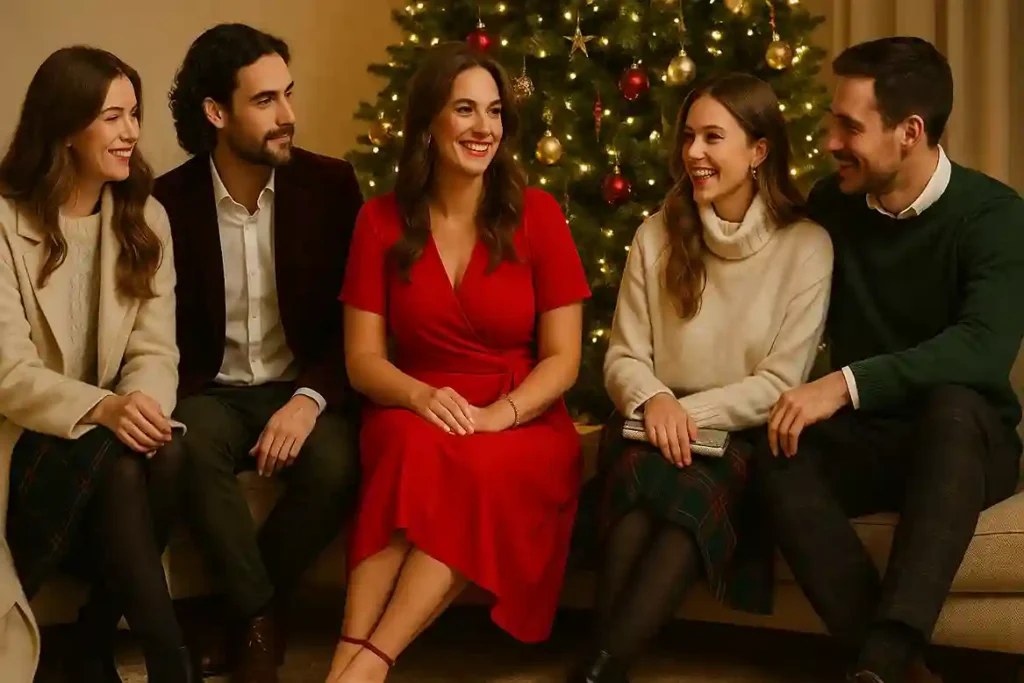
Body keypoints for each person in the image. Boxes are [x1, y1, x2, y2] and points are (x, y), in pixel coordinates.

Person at [754, 37, 1024, 683]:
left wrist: (845, 384)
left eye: (849, 125)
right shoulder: (831, 205)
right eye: (831, 121)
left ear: (910, 131)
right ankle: (889, 667)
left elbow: (982, 348)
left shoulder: (996, 216)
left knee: (953, 404)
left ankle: (883, 654)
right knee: (772, 449)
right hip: (873, 441)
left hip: (967, 444)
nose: (829, 140)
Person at [326, 42, 591, 682]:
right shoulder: (378, 221)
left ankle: (363, 668)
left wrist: (501, 414)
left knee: (476, 467)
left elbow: (564, 359)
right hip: (414, 402)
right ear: (428, 125)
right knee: (407, 452)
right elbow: (362, 360)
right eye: (465, 109)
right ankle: (350, 656)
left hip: (520, 413)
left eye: (494, 112)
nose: (483, 128)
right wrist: (417, 396)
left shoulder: (540, 216)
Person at [570, 73, 833, 683]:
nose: (693, 153)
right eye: (689, 136)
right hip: (645, 416)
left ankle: (598, 668)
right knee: (639, 494)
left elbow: (778, 383)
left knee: (685, 504)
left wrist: (688, 416)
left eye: (713, 137)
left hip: (736, 429)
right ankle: (603, 670)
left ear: (758, 151)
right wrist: (657, 401)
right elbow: (623, 358)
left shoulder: (807, 245)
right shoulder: (656, 232)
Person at [153, 24, 362, 683]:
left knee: (335, 462)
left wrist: (308, 399)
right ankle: (259, 617)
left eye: (288, 96)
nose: (288, 116)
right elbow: (156, 333)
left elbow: (352, 322)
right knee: (187, 448)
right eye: (266, 101)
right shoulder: (166, 203)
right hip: (209, 390)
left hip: (302, 383)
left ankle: (237, 617)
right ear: (217, 112)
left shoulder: (330, 187)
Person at [0, 47, 193, 682]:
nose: (132, 133)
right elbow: (7, 373)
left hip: (108, 441)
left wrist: (136, 407)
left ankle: (93, 644)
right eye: (113, 117)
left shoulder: (147, 218)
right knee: (122, 464)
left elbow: (155, 352)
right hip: (26, 440)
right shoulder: (2, 221)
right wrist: (104, 409)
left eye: (134, 114)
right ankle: (169, 663)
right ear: (65, 127)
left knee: (165, 451)